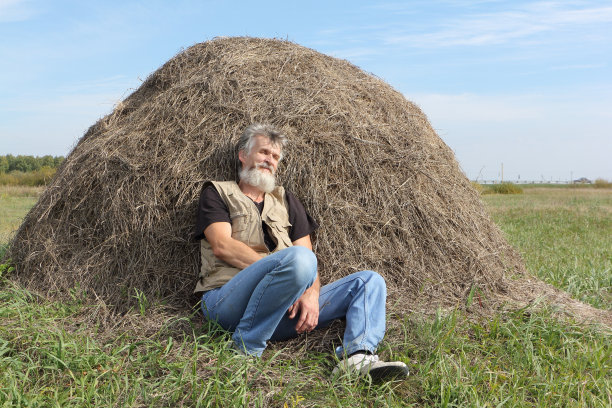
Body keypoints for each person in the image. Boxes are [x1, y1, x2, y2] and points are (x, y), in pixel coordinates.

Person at [193, 124, 409, 381]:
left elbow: (308, 258)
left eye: (274, 157)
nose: (269, 160)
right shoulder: (217, 192)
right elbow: (222, 245)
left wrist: (310, 292)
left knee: (369, 281)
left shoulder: (285, 200)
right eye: (263, 152)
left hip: (282, 313)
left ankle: (357, 357)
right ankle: (245, 348)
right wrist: (282, 268)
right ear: (243, 155)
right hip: (227, 303)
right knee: (298, 259)